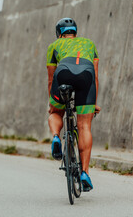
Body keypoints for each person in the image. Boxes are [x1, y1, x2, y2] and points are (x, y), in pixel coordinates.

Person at [46, 17, 101, 191]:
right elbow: (96, 77)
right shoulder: (90, 44)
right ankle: (85, 172)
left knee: (55, 113)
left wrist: (53, 104)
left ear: (59, 34)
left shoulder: (54, 46)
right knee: (84, 125)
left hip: (63, 73)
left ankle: (56, 136)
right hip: (86, 75)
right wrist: (94, 103)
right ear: (75, 32)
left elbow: (50, 78)